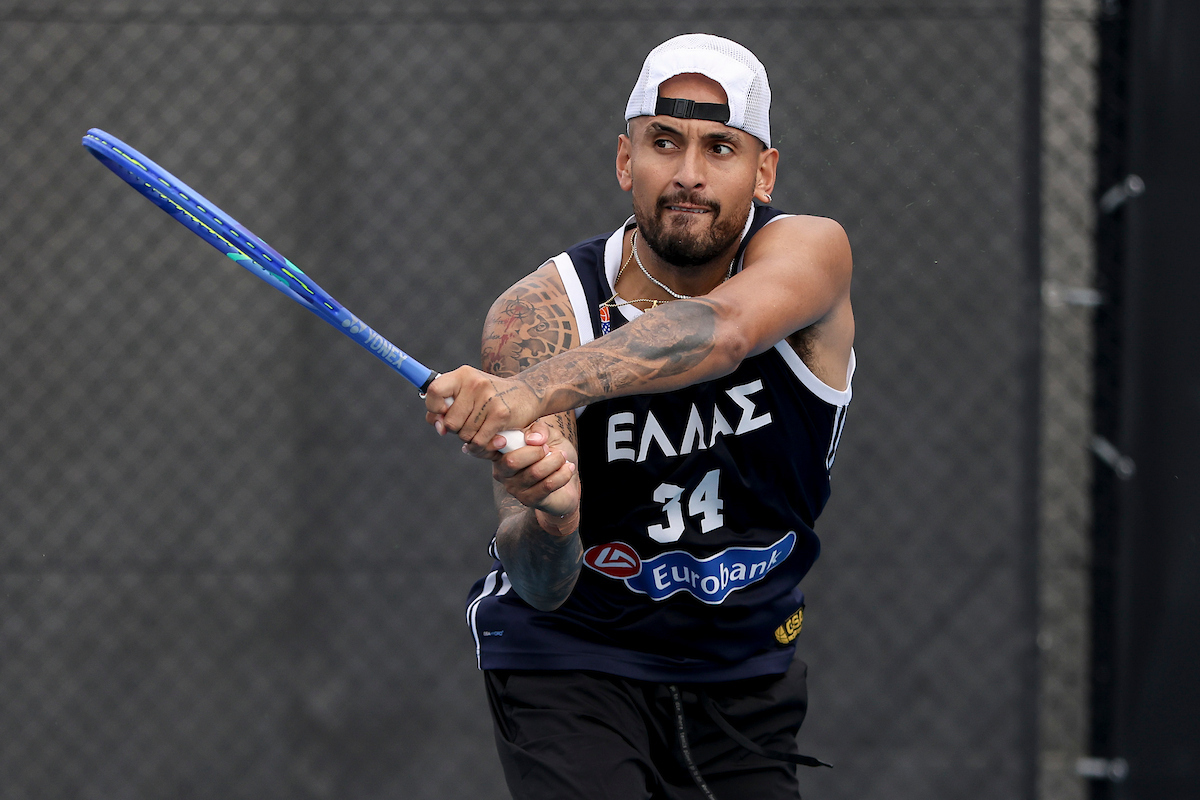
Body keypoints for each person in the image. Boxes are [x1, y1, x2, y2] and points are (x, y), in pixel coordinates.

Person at [425, 33, 854, 800]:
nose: (688, 175)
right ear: (626, 161)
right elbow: (538, 582)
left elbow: (720, 331)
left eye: (720, 148)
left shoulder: (810, 255)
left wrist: (531, 392)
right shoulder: (542, 312)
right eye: (664, 142)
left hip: (743, 668)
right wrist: (553, 519)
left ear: (764, 173)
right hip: (574, 658)